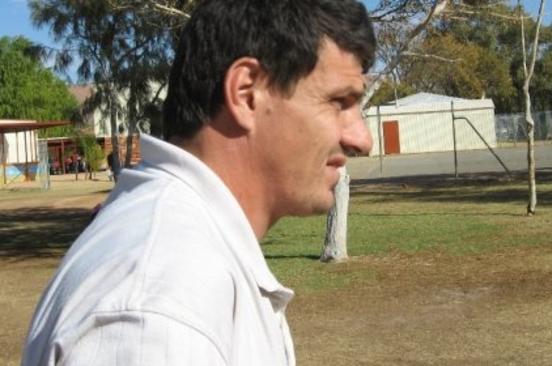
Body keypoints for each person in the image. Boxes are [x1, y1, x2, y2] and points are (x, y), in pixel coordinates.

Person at [21, 0, 375, 365]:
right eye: (339, 102)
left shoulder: (185, 263)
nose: (362, 140)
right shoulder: (159, 309)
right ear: (246, 93)